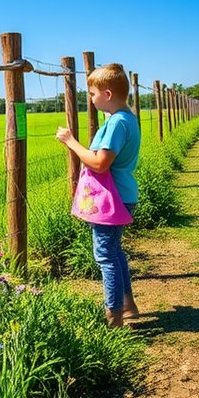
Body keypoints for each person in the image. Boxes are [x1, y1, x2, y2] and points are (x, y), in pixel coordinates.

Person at [55, 63, 141, 328]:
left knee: (105, 256)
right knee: (115, 251)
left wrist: (71, 141)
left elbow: (100, 162)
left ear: (107, 94)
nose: (90, 100)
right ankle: (127, 306)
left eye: (92, 94)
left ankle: (112, 318)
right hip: (121, 194)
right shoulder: (125, 117)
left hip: (110, 198)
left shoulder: (117, 124)